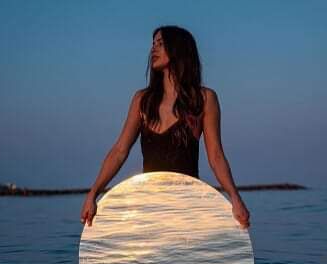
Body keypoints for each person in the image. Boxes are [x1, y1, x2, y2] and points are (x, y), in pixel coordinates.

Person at [80, 25, 250, 229]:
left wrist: (234, 197)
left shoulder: (204, 99)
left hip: (187, 205)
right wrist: (93, 193)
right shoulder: (142, 100)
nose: (153, 49)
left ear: (178, 49)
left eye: (160, 44)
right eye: (153, 44)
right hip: (150, 206)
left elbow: (215, 155)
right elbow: (119, 151)